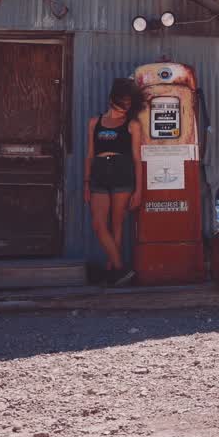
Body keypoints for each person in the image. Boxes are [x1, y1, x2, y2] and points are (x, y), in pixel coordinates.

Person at [84, 78, 145, 286]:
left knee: (117, 225)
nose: (124, 108)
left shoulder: (133, 125)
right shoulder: (95, 122)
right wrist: (86, 182)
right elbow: (90, 155)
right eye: (122, 103)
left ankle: (112, 271)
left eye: (129, 104)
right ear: (112, 100)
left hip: (122, 173)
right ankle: (120, 269)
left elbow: (137, 159)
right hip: (99, 175)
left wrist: (139, 190)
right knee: (99, 225)